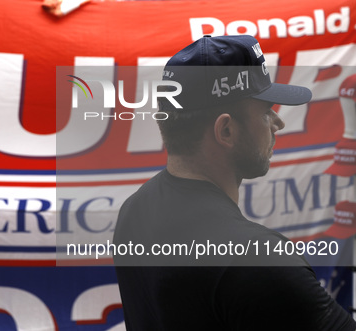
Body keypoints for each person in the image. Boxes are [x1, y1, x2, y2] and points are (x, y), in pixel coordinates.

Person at [112, 35, 356, 330]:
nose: (278, 124)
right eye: (266, 112)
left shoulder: (135, 210)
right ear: (226, 130)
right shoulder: (257, 260)